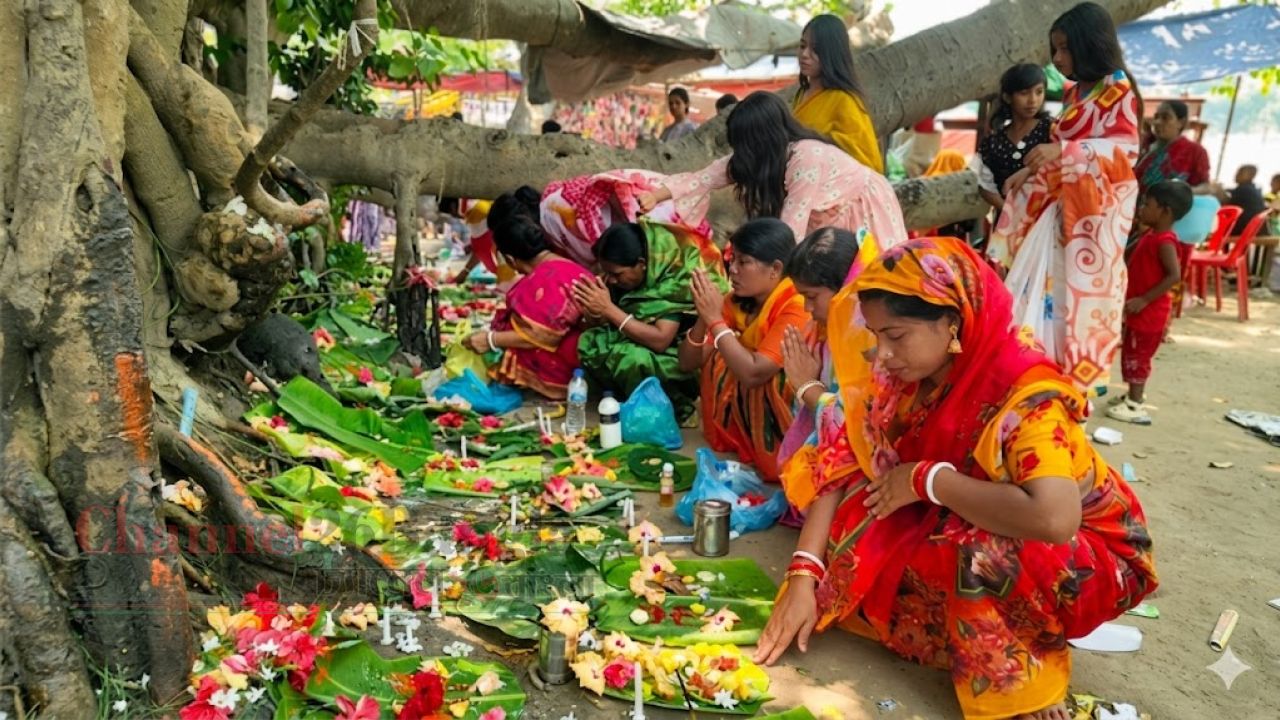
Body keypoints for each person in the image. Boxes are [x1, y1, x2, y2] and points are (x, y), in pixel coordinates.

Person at [755, 237, 1157, 720]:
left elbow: (1054, 518)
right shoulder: (904, 379)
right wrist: (804, 576)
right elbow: (841, 458)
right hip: (973, 511)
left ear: (952, 321)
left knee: (980, 555)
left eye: (896, 336)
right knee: (862, 519)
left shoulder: (1026, 394)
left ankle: (1024, 678)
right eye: (877, 335)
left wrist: (929, 480)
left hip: (1091, 550)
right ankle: (960, 636)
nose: (881, 354)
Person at [986, 2, 1142, 394]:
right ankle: (1029, 378)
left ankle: (1056, 387)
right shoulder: (1078, 92)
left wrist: (1065, 153)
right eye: (1054, 49)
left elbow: (1125, 154)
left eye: (1064, 49)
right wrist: (1031, 169)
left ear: (1089, 45)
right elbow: (1069, 148)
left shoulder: (1117, 90)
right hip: (1056, 215)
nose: (1056, 59)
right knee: (1036, 296)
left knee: (1063, 304)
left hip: (1086, 225)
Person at [638, 92, 907, 249]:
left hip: (864, 213)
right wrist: (655, 197)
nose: (739, 152)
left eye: (743, 144)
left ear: (760, 140)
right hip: (829, 226)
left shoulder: (806, 159)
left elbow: (790, 233)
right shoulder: (760, 157)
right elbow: (704, 178)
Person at [677, 219, 812, 481]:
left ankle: (776, 455)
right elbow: (688, 362)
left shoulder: (796, 304)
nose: (733, 270)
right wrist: (704, 317)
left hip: (787, 401)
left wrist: (716, 322)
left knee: (754, 365)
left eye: (744, 262)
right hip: (747, 396)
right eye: (732, 260)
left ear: (775, 269)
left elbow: (755, 373)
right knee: (721, 353)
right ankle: (741, 440)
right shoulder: (736, 302)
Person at [572, 221, 723, 420]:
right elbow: (602, 323)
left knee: (631, 357)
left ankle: (669, 410)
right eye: (607, 273)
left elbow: (661, 340)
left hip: (681, 356)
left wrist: (609, 309)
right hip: (640, 339)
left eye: (617, 274)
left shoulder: (674, 281)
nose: (612, 280)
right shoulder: (622, 278)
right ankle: (621, 401)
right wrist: (593, 311)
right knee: (592, 340)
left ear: (642, 263)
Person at [465, 215, 594, 400]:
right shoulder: (569, 266)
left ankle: (548, 386)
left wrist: (491, 339)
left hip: (574, 359)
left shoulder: (546, 277)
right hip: (586, 349)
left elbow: (538, 336)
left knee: (512, 341)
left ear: (509, 259)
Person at [1107, 181, 1192, 424]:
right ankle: (1131, 396)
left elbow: (1174, 275)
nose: (1142, 208)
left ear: (1165, 211)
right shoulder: (1151, 234)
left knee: (1138, 356)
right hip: (1139, 309)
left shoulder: (1164, 241)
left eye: (1147, 204)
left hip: (1149, 312)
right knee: (1131, 353)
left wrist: (1145, 299)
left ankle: (1135, 404)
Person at [790, 14, 882, 172]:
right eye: (803, 46)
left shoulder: (844, 100)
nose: (804, 54)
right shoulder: (801, 94)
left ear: (832, 53)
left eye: (816, 49)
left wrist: (813, 139)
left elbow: (867, 160)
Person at [974, 64, 1054, 215]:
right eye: (1024, 93)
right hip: (1007, 222)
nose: (1033, 100)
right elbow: (984, 184)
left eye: (1039, 92)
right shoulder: (993, 142)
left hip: (1045, 219)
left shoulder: (1052, 130)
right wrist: (1008, 211)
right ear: (1007, 97)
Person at [1134, 101, 1211, 196]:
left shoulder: (1195, 151)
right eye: (1156, 117)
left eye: (1165, 118)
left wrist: (1179, 192)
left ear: (1181, 123)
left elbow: (1206, 187)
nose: (1157, 122)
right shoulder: (1144, 144)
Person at [1226, 165, 1266, 234]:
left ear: (1251, 176)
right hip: (1255, 230)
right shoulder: (1253, 190)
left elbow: (1228, 209)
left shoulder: (1242, 190)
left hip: (1244, 230)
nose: (1236, 175)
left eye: (1240, 173)